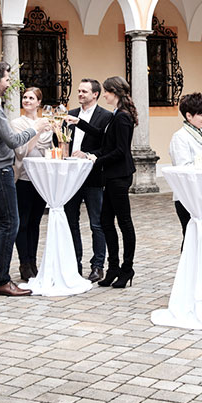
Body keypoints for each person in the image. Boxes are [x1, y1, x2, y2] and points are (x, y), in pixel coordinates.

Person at [0, 62, 50, 297]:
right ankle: (3, 281)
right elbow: (13, 141)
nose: (9, 83)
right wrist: (35, 127)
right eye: (7, 79)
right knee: (11, 222)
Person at [69, 76, 138, 289]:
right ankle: (113, 268)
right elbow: (102, 135)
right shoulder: (115, 116)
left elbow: (120, 150)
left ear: (113, 92)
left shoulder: (123, 117)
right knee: (106, 222)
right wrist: (79, 123)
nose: (104, 95)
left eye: (106, 92)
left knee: (124, 223)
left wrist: (96, 159)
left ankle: (127, 269)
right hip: (110, 176)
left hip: (119, 177)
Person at [64, 79, 112, 282]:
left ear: (95, 94)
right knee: (71, 221)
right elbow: (63, 138)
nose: (80, 94)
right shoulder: (71, 113)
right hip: (71, 177)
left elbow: (106, 146)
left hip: (93, 176)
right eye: (79, 91)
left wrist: (87, 154)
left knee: (96, 223)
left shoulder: (106, 116)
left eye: (84, 91)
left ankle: (98, 265)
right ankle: (75, 263)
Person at [11, 87, 53, 282]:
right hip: (25, 179)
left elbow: (52, 149)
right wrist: (37, 130)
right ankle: (24, 263)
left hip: (41, 180)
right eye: (25, 97)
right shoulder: (17, 123)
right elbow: (23, 150)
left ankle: (33, 261)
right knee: (23, 222)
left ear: (39, 103)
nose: (26, 100)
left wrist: (55, 131)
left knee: (35, 223)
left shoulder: (46, 122)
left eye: (31, 98)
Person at [168, 92, 202, 238]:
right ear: (189, 116)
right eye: (201, 115)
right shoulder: (180, 137)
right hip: (189, 196)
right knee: (192, 239)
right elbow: (183, 168)